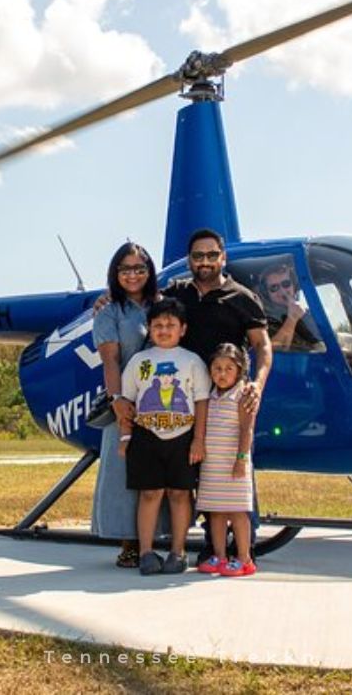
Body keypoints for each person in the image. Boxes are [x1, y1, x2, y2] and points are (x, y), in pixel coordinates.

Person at [162, 228, 273, 563]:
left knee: (235, 471)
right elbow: (141, 301)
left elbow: (263, 346)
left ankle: (244, 548)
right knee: (202, 476)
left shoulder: (242, 297)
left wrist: (257, 384)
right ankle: (213, 545)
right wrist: (107, 298)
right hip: (186, 398)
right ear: (189, 260)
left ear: (223, 258)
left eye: (212, 255)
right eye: (198, 256)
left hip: (228, 399)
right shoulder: (177, 293)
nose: (205, 261)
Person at [118, 298, 211, 575]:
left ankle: (178, 551)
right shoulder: (140, 361)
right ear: (149, 329)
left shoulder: (192, 361)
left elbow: (202, 401)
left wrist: (199, 439)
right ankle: (146, 552)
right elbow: (127, 401)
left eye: (170, 324)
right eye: (157, 325)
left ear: (183, 329)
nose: (164, 329)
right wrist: (125, 437)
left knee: (180, 494)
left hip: (183, 436)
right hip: (146, 436)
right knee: (149, 494)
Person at [90, 242, 161, 567]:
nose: (132, 275)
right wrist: (118, 402)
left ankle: (159, 537)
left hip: (162, 400)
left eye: (139, 268)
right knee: (122, 473)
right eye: (125, 269)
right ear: (115, 274)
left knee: (160, 472)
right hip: (127, 400)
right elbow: (110, 360)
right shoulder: (109, 312)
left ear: (150, 272)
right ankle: (128, 542)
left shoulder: (164, 305)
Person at [196, 342, 257, 577]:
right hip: (213, 463)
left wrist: (241, 458)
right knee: (216, 512)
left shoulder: (243, 395)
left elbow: (246, 430)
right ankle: (219, 555)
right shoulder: (209, 397)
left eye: (228, 369)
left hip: (234, 462)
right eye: (217, 368)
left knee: (238, 512)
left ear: (239, 370)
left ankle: (244, 558)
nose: (222, 374)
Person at [259, 261, 322, 352]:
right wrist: (292, 319)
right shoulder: (264, 320)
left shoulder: (308, 314)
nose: (282, 291)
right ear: (266, 293)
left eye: (286, 284)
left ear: (293, 285)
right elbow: (274, 352)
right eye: (274, 288)